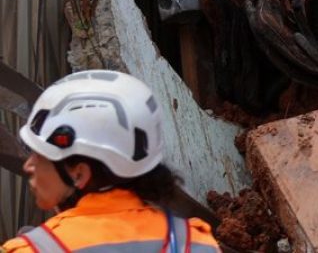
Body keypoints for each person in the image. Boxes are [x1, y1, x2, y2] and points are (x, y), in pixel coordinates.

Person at [2, 70, 219, 252]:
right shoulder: (196, 244)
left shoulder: (30, 249)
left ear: (79, 173)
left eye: (39, 155)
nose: (28, 165)